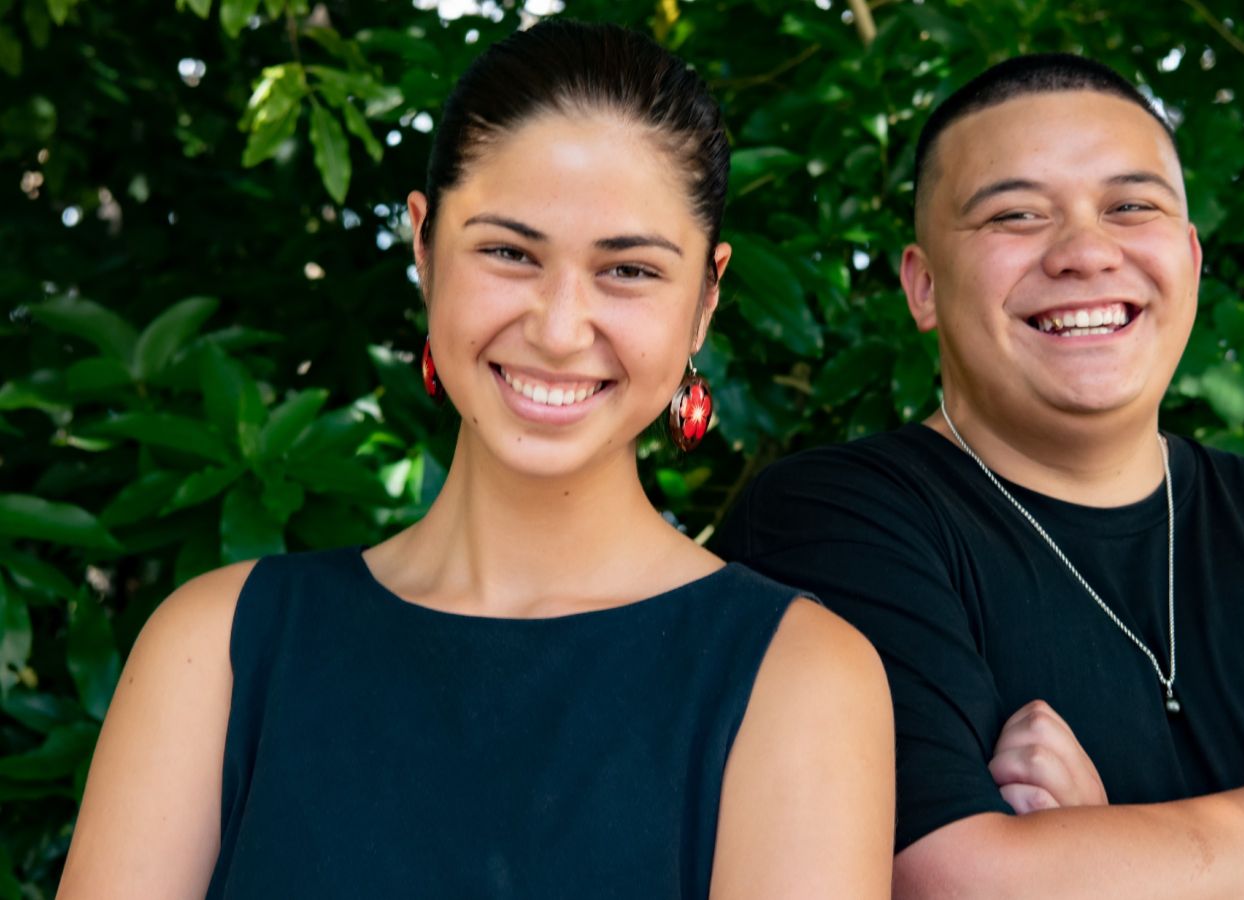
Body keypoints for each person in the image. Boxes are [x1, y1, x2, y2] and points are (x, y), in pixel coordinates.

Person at [714, 54, 1244, 898]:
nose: (1086, 252)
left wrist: (1111, 859)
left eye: (1131, 206)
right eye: (1016, 216)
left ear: (1193, 258)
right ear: (923, 286)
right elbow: (962, 883)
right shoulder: (835, 522)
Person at [58, 21, 893, 899]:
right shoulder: (218, 649)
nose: (559, 328)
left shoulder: (799, 677)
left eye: (630, 272)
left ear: (705, 300)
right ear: (423, 249)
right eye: (508, 252)